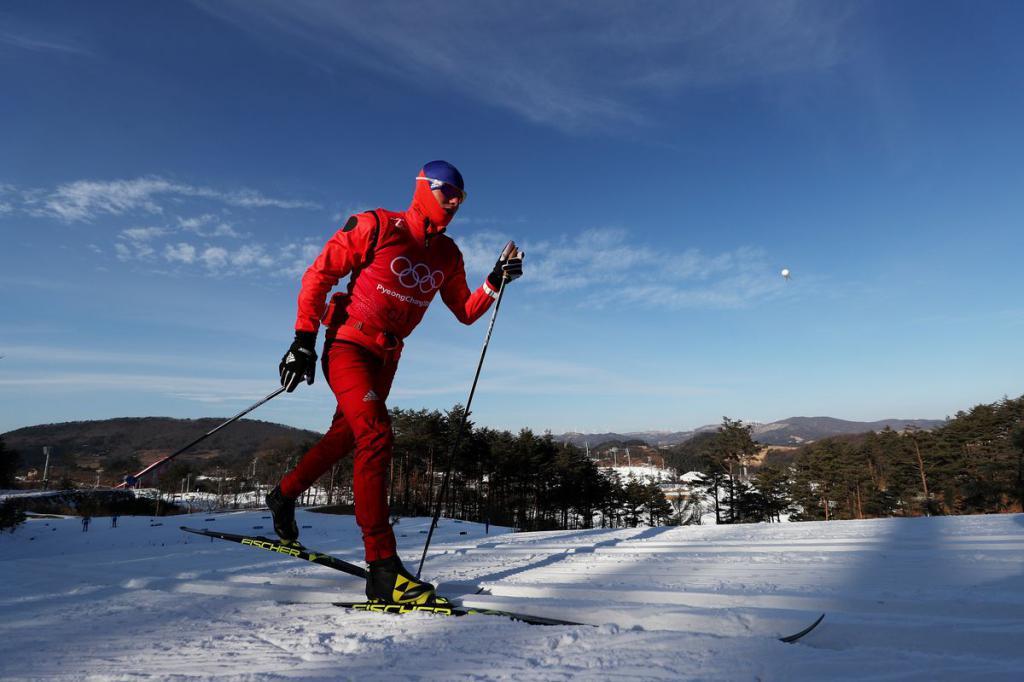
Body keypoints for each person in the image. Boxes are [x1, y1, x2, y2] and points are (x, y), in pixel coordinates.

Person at [267, 160, 523, 605]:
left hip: (387, 357)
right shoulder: (378, 225)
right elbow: (319, 274)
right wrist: (303, 341)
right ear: (425, 187)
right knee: (377, 435)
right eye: (448, 192)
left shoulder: (449, 255)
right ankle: (382, 568)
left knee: (346, 437)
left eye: (462, 196)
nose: (456, 202)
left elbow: (464, 310)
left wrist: (495, 281)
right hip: (347, 345)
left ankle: (283, 495)